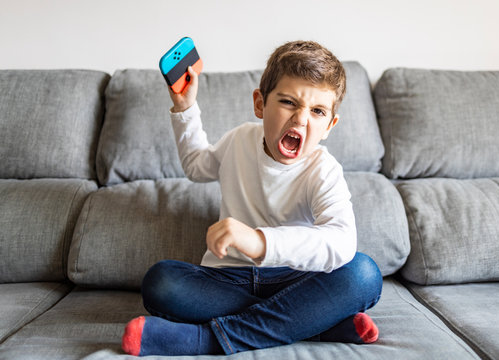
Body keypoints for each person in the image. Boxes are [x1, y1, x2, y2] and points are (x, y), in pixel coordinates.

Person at [122, 40, 382, 356]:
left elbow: (340, 242)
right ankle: (314, 324)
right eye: (288, 102)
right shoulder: (239, 139)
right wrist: (185, 106)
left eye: (317, 111)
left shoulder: (323, 170)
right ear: (260, 104)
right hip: (227, 279)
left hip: (295, 280)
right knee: (161, 282)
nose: (301, 120)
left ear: (329, 125)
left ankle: (205, 340)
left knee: (364, 274)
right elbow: (196, 166)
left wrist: (260, 242)